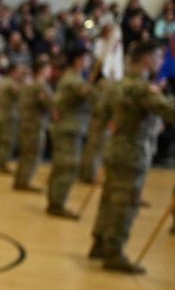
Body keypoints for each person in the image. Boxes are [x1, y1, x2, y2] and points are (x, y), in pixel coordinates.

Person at [89, 40, 175, 273]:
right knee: (125, 203)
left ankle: (99, 243)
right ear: (147, 59)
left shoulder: (118, 85)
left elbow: (102, 113)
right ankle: (114, 252)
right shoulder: (141, 88)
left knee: (109, 199)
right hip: (133, 153)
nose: (161, 61)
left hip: (115, 148)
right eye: (158, 57)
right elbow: (169, 111)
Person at [45, 47, 92, 217]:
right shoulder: (73, 80)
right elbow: (89, 96)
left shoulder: (73, 78)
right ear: (78, 60)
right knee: (67, 167)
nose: (88, 62)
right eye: (86, 58)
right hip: (68, 129)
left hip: (68, 128)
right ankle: (57, 204)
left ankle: (55, 201)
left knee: (61, 166)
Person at [12, 57, 54, 191]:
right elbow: (50, 105)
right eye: (48, 69)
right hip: (35, 124)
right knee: (33, 154)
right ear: (41, 70)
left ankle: (20, 179)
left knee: (26, 153)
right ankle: (25, 181)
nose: (50, 71)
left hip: (26, 122)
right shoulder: (40, 86)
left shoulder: (28, 85)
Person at [0, 61, 24, 173]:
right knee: (7, 141)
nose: (20, 74)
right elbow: (20, 93)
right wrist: (24, 81)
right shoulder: (11, 83)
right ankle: (2, 165)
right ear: (13, 72)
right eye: (19, 72)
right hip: (8, 116)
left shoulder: (3, 81)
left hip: (1, 115)